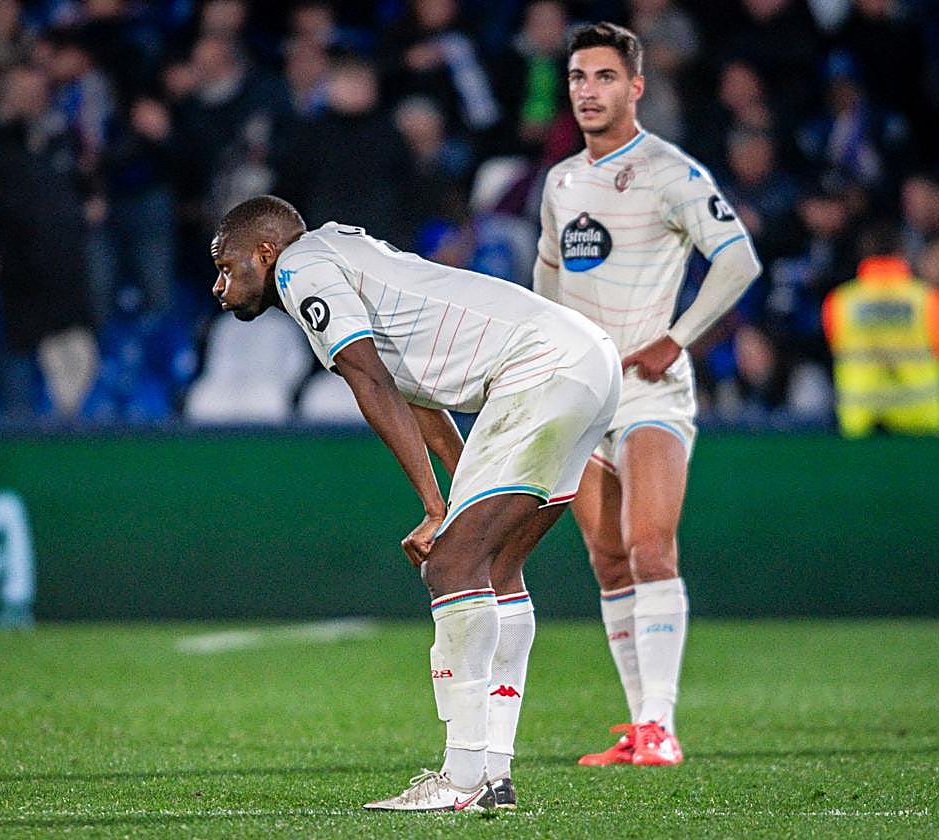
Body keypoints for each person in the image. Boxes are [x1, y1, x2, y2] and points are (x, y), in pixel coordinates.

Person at [210, 194, 621, 811]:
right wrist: (450, 502)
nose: (220, 286)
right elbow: (418, 392)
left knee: (452, 566)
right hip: (587, 363)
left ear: (265, 254)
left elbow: (371, 381)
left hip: (543, 369)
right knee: (496, 567)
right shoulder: (343, 252)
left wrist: (436, 511)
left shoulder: (299, 269)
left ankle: (459, 781)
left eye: (228, 267)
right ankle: (494, 775)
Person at [533, 22, 761, 767]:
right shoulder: (562, 182)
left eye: (603, 77)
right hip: (584, 399)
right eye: (577, 78)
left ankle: (662, 725)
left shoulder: (671, 172)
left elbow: (738, 261)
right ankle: (640, 725)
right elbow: (547, 277)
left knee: (649, 545)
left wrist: (679, 337)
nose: (588, 91)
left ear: (635, 87)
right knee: (607, 560)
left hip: (651, 392)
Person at [822, 244, 939, 437]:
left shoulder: (839, 300)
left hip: (861, 424)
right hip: (922, 423)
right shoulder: (932, 299)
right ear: (902, 254)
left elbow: (834, 348)